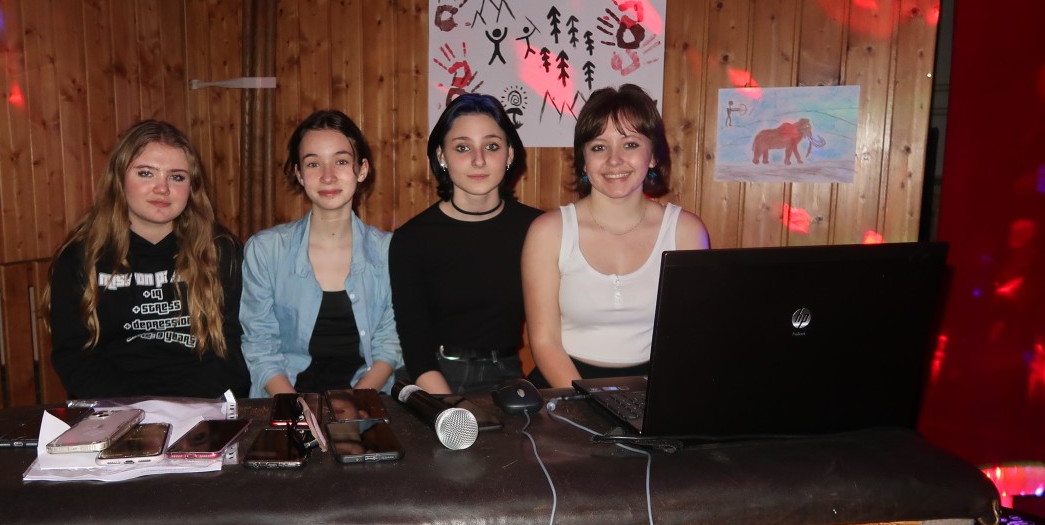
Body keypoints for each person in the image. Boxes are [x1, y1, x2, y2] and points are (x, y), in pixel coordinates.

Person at [46, 119, 251, 398]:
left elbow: (236, 346)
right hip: (115, 408)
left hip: (203, 404)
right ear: (119, 178)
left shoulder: (221, 250)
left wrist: (182, 407)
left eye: (177, 177)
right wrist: (139, 408)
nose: (162, 188)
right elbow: (74, 355)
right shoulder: (80, 256)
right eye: (146, 173)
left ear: (192, 186)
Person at [522, 84, 710, 388]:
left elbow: (691, 337)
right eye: (599, 147)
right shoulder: (548, 232)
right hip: (565, 384)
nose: (614, 160)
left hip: (655, 384)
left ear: (653, 155)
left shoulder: (686, 232)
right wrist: (589, 402)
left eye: (630, 144)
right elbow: (545, 343)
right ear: (583, 161)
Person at [239, 110, 400, 397]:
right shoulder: (265, 251)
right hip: (285, 399)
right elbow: (260, 346)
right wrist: (296, 412)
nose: (328, 176)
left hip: (367, 399)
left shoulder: (389, 251)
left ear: (362, 169)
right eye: (314, 163)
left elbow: (389, 343)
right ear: (299, 174)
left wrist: (355, 406)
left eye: (341, 161)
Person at [389, 94, 541, 395]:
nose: (478, 159)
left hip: (508, 375)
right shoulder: (412, 239)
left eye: (491, 146)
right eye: (462, 147)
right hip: (434, 378)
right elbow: (417, 353)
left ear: (510, 154)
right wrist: (454, 412)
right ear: (441, 156)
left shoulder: (537, 229)